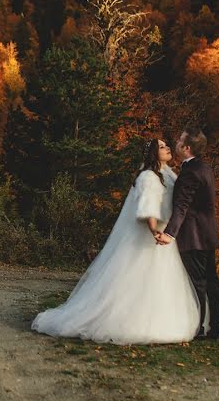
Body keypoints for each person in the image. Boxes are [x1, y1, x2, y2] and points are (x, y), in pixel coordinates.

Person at [31, 139, 201, 344]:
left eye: (166, 145)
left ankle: (162, 319)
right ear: (154, 154)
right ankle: (133, 323)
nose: (167, 148)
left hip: (165, 235)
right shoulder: (148, 176)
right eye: (162, 147)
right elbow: (148, 205)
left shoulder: (168, 174)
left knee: (160, 280)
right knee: (140, 278)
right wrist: (154, 230)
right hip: (150, 236)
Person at [157, 128, 219, 339]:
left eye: (179, 141)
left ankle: (199, 329)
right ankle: (216, 327)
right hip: (208, 232)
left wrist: (170, 233)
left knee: (198, 283)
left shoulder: (189, 173)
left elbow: (182, 206)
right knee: (212, 281)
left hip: (193, 235)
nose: (175, 143)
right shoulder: (205, 167)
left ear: (186, 148)